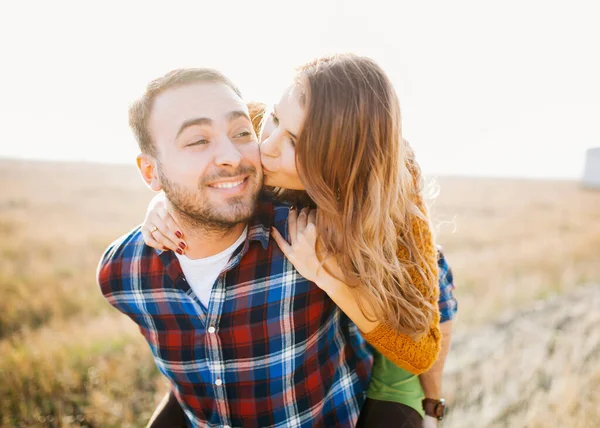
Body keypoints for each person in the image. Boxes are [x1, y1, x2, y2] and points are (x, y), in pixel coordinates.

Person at [98, 64, 439, 428]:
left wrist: (331, 278)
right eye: (274, 120)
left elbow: (422, 345)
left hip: (378, 302)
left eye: (297, 143)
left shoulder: (386, 196)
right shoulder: (251, 128)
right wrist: (167, 201)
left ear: (340, 161)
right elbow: (195, 160)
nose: (264, 147)